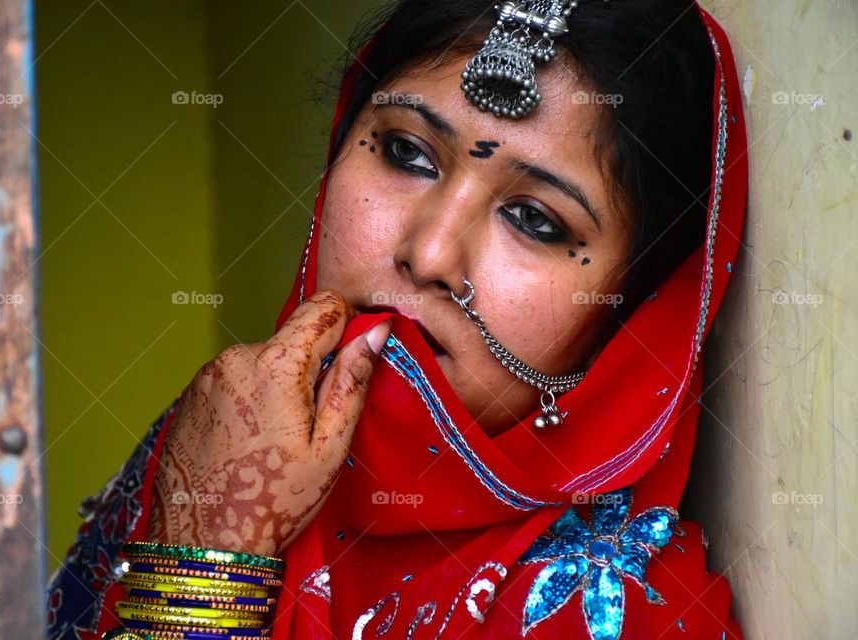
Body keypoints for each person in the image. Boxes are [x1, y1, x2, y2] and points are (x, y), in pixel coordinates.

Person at [47, 1, 748, 638]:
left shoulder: (624, 616)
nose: (429, 253)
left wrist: (201, 579)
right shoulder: (222, 443)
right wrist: (213, 530)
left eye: (533, 219)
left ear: (636, 314)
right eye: (406, 152)